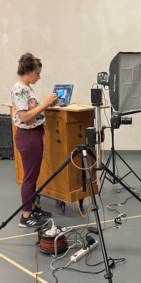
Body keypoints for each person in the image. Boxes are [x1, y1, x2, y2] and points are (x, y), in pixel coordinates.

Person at [10, 53, 59, 228]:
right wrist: (44, 104)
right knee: (30, 177)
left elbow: (31, 109)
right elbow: (24, 117)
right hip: (28, 136)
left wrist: (45, 102)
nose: (39, 76)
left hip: (34, 134)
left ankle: (32, 207)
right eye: (37, 73)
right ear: (28, 71)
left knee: (33, 174)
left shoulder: (27, 88)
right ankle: (26, 216)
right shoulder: (20, 89)